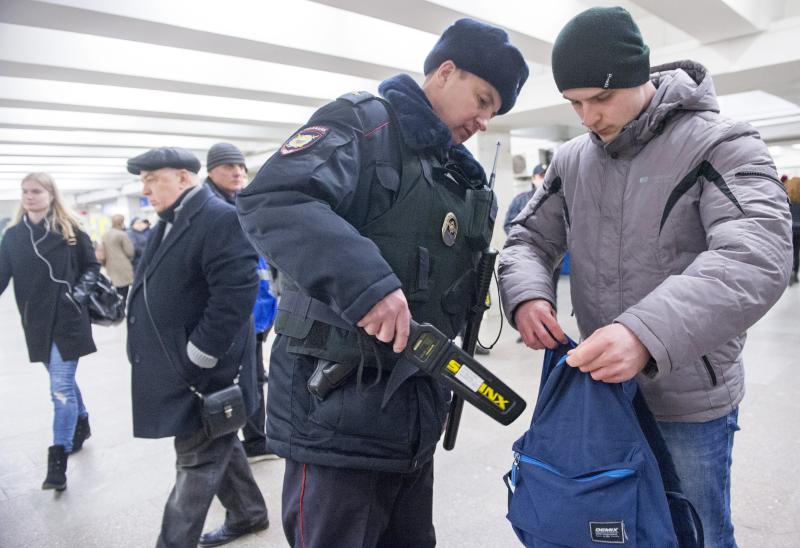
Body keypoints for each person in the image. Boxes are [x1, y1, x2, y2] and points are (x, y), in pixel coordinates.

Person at [498, 7, 792, 548]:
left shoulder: (722, 143)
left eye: (601, 98)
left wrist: (643, 334)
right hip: (604, 392)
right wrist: (527, 296)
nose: (588, 116)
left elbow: (757, 252)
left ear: (639, 76)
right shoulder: (571, 160)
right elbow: (526, 240)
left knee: (694, 529)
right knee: (612, 526)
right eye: (574, 103)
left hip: (688, 397)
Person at [237, 18, 528, 547]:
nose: (485, 120)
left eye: (494, 111)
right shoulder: (364, 126)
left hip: (410, 421)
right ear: (444, 71)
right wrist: (366, 284)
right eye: (482, 99)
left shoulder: (455, 178)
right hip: (334, 419)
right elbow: (274, 199)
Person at [124, 147, 268, 548]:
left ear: (184, 178)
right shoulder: (172, 220)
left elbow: (236, 295)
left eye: (154, 179)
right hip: (181, 368)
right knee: (216, 441)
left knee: (196, 460)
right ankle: (249, 513)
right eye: (144, 182)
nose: (146, 189)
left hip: (206, 371)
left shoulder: (219, 218)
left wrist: (197, 355)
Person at [0, 172, 99, 491]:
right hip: (36, 323)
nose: (29, 196)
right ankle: (81, 420)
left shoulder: (70, 231)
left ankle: (57, 461)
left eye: (36, 191)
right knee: (63, 381)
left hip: (68, 319)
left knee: (59, 387)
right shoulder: (13, 236)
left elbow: (92, 266)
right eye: (25, 191)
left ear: (51, 195)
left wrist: (78, 295)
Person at [204, 142, 279, 460]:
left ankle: (250, 436)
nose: (237, 172)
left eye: (240, 167)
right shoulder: (212, 209)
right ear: (210, 171)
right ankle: (249, 438)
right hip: (232, 310)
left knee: (252, 373)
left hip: (256, 306)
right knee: (241, 374)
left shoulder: (242, 202)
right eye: (228, 167)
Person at [503, 162, 547, 234]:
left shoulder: (557, 201)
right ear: (533, 179)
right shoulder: (520, 200)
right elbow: (509, 226)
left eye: (547, 176)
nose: (545, 179)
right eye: (541, 176)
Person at [99, 213, 134, 301]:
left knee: (116, 292)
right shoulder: (122, 234)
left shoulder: (105, 235)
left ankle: (117, 311)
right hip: (123, 267)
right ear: (122, 222)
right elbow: (130, 252)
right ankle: (121, 312)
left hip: (110, 266)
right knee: (123, 293)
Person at [786, 177, 800, 285]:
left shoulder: (788, 203)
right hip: (799, 231)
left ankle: (790, 273)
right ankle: (795, 274)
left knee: (791, 252)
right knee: (796, 252)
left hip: (790, 230)